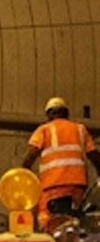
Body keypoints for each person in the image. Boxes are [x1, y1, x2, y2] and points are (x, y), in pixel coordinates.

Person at [22, 96, 100, 227]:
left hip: (52, 186)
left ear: (48, 115)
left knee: (47, 220)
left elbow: (30, 155)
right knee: (75, 221)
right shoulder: (80, 129)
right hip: (77, 186)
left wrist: (23, 174)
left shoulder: (44, 130)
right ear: (66, 113)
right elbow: (95, 156)